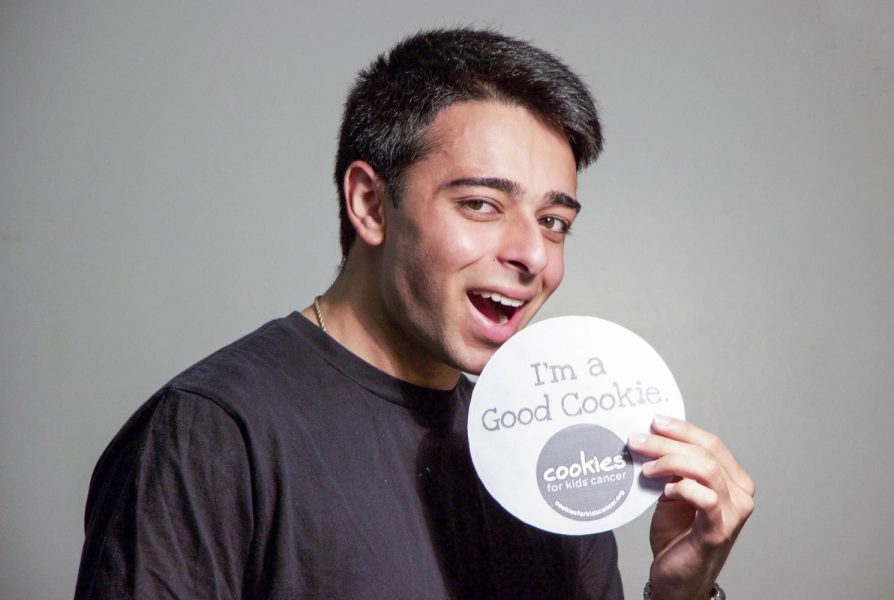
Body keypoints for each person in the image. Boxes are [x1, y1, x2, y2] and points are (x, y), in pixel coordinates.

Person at [75, 28, 754, 599]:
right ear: (370, 204)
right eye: (481, 205)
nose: (531, 255)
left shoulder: (551, 452)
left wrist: (681, 596)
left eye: (554, 220)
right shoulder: (214, 430)